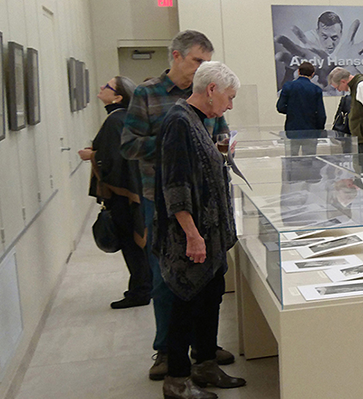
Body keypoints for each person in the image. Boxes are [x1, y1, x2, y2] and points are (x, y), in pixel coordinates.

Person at [120, 30, 234, 381]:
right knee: (168, 279)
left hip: (205, 203)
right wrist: (176, 145)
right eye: (198, 60)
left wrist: (216, 148)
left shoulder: (204, 99)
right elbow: (129, 145)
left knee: (208, 281)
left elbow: (221, 134)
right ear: (176, 56)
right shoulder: (151, 95)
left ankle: (203, 351)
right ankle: (168, 352)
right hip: (168, 201)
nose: (202, 67)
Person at [153, 61, 246, 399]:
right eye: (229, 97)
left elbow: (199, 168)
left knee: (209, 298)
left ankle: (205, 363)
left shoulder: (195, 120)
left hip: (211, 236)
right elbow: (175, 185)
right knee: (185, 305)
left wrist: (221, 156)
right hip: (191, 239)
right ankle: (177, 380)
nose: (230, 105)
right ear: (211, 91)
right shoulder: (178, 122)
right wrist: (192, 234)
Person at [78, 76, 147, 309]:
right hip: (131, 193)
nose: (100, 87)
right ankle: (141, 287)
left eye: (106, 86)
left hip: (122, 196)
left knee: (131, 243)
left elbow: (116, 159)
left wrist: (92, 156)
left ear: (118, 97)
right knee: (134, 244)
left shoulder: (116, 120)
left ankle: (140, 291)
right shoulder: (123, 118)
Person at [277, 61, 327, 155]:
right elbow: (321, 114)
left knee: (291, 158)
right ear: (312, 74)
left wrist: (292, 110)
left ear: (298, 72)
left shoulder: (288, 86)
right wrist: (320, 130)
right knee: (309, 159)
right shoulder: (316, 89)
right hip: (311, 130)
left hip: (292, 129)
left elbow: (280, 107)